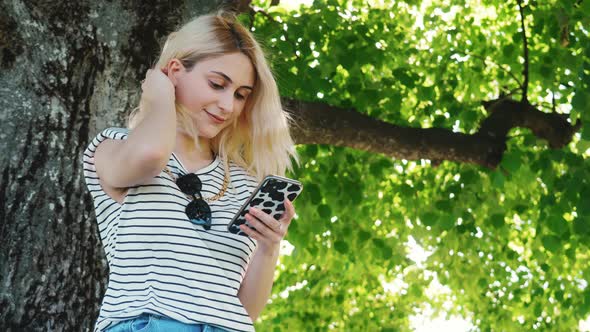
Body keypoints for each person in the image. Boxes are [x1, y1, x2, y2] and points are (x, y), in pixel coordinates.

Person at [82, 11, 298, 332]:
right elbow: (151, 155)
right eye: (217, 84)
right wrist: (159, 97)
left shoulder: (243, 183)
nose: (228, 105)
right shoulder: (115, 146)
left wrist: (269, 249)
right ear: (175, 71)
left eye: (240, 95)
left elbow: (242, 312)